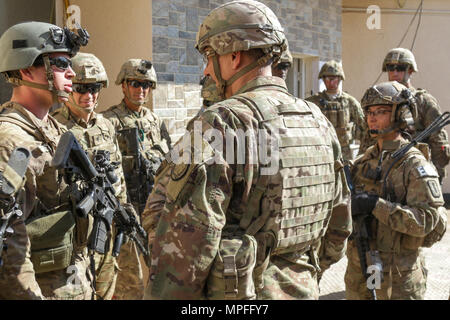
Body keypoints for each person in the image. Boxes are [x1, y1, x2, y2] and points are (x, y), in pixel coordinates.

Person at [144, 0, 351, 300]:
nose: (206, 69)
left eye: (209, 56)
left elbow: (180, 255)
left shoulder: (219, 123)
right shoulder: (318, 120)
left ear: (234, 55)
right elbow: (339, 229)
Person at [0, 21, 91, 299]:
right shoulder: (10, 141)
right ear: (26, 67)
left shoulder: (58, 131)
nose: (72, 73)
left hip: (74, 282)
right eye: (61, 63)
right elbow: (7, 242)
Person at [345, 81, 447, 300]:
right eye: (369, 112)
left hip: (398, 278)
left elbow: (427, 221)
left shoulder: (414, 165)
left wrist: (376, 206)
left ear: (402, 115)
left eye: (381, 111)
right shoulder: (364, 161)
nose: (372, 117)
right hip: (361, 269)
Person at [51, 52, 134, 300]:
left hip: (105, 224)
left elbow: (117, 172)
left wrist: (124, 208)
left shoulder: (107, 126)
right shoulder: (55, 128)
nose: (89, 96)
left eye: (94, 88)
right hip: (74, 233)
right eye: (81, 88)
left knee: (107, 288)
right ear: (69, 88)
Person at [102, 59, 170, 299]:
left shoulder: (156, 121)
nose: (140, 90)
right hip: (126, 210)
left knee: (163, 273)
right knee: (129, 282)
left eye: (146, 85)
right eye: (134, 83)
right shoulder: (108, 122)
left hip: (154, 208)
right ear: (123, 85)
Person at [359, 48, 450, 182]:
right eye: (390, 68)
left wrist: (431, 174)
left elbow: (439, 142)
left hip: (414, 173)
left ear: (410, 70)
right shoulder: (379, 99)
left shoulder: (423, 101)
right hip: (382, 172)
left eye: (400, 68)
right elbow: (368, 138)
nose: (395, 72)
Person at [306, 60, 366, 161]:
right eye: (327, 78)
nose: (330, 81)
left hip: (344, 153)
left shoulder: (349, 102)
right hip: (320, 151)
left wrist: (362, 154)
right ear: (323, 79)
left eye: (333, 78)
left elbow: (365, 127)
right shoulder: (313, 102)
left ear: (340, 79)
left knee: (346, 176)